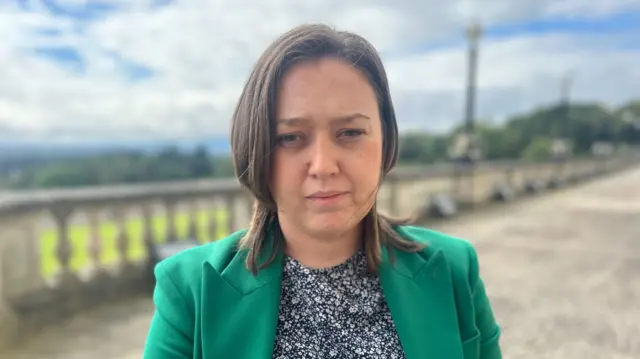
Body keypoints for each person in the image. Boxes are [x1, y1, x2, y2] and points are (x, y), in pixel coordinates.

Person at [142, 23, 502, 359]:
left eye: (350, 132)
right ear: (255, 148)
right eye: (290, 137)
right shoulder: (190, 290)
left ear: (386, 140)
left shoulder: (454, 269)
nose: (323, 165)